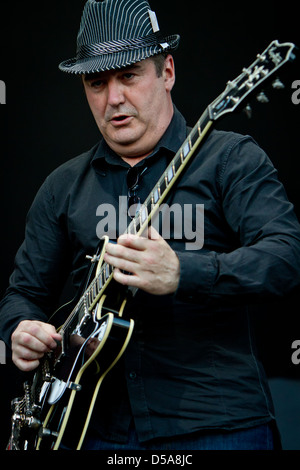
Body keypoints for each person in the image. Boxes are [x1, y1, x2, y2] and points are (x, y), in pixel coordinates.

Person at [1, 0, 300, 450]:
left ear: (167, 72)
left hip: (217, 426)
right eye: (96, 82)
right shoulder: (62, 186)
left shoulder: (230, 159)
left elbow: (284, 259)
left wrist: (184, 272)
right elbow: (23, 294)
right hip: (91, 429)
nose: (113, 98)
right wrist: (19, 328)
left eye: (129, 75)